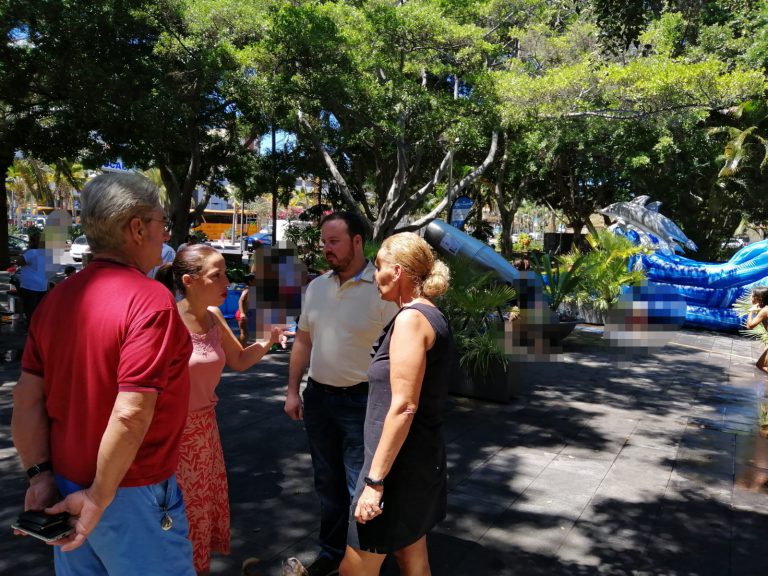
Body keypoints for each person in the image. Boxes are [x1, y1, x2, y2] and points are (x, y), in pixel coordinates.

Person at [11, 172, 195, 575]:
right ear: (137, 228)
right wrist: (97, 498)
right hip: (130, 490)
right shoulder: (151, 302)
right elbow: (131, 412)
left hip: (67, 484)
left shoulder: (57, 298)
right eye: (161, 222)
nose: (165, 234)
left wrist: (40, 476)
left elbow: (26, 399)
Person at [156, 246, 284, 575]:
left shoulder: (213, 316)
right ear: (189, 280)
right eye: (218, 274)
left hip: (205, 434)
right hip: (169, 437)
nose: (228, 280)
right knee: (173, 519)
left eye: (225, 272)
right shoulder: (165, 320)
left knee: (199, 518)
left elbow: (239, 360)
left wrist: (268, 341)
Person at [284, 212, 398, 576]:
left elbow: (400, 352)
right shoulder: (316, 287)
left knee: (359, 485)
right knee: (327, 482)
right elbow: (303, 340)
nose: (326, 249)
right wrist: (292, 391)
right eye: (324, 242)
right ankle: (332, 553)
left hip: (362, 402)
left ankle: (363, 560)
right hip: (318, 398)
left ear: (358, 241)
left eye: (334, 241)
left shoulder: (381, 290)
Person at [340, 232, 454, 576]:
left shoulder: (411, 320)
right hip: (419, 460)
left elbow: (404, 406)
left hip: (396, 468)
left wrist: (375, 483)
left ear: (399, 271)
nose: (375, 276)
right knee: (412, 559)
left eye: (379, 267)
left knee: (353, 570)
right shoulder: (431, 315)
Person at [16, 231, 48, 325]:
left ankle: (31, 329)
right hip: (42, 286)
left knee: (30, 311)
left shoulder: (31, 253)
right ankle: (38, 328)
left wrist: (23, 253)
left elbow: (19, 262)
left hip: (30, 287)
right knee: (39, 310)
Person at [747, 286, 768, 374]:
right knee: (761, 365)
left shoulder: (765, 310)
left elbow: (750, 326)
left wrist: (751, 311)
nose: (750, 297)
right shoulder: (765, 309)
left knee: (761, 365)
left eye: (752, 295)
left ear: (759, 298)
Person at [236, 274, 257, 345]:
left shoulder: (251, 290)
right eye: (255, 280)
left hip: (244, 313)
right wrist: (242, 313)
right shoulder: (247, 290)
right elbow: (240, 301)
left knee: (245, 333)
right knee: (244, 332)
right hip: (241, 314)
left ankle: (241, 345)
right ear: (250, 282)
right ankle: (241, 347)